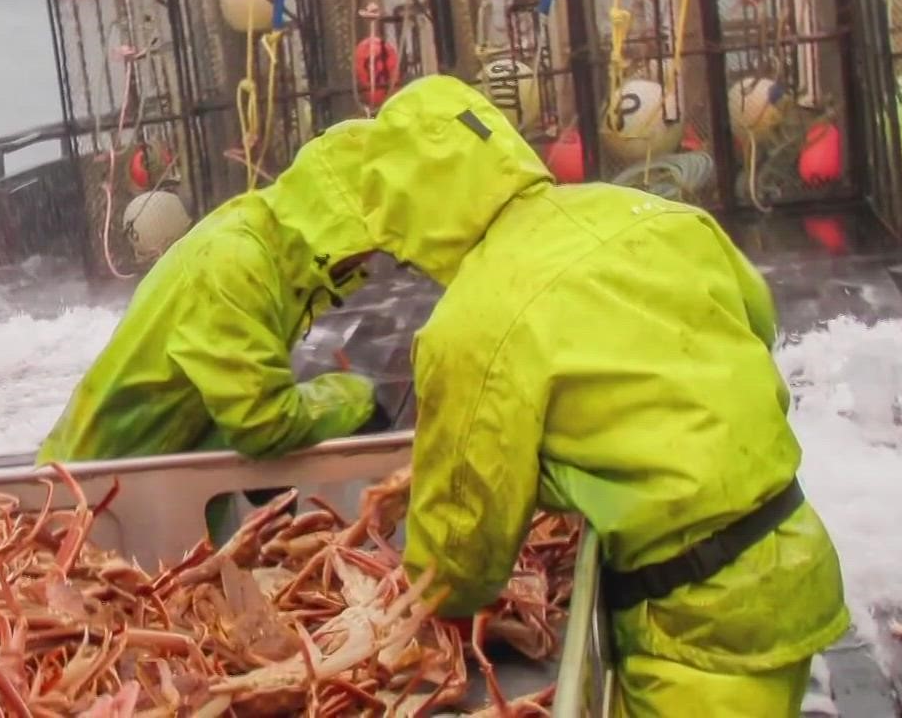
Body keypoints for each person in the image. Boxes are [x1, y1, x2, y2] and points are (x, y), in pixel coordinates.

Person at [360, 75, 848, 717]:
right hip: (793, 557)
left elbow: (461, 548)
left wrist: (402, 609)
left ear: (411, 211)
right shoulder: (650, 212)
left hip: (694, 629)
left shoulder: (470, 326)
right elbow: (755, 320)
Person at [36, 118, 383, 467]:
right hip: (97, 496)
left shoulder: (276, 249)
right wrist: (358, 400)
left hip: (153, 476)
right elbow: (261, 422)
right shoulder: (236, 263)